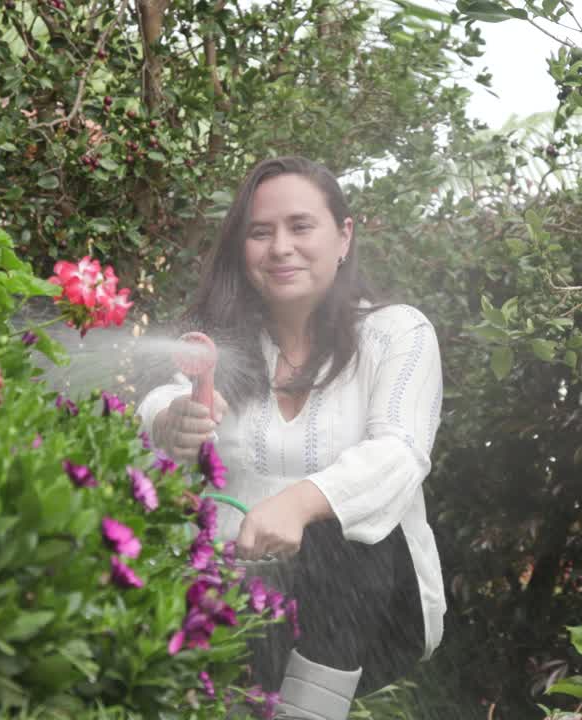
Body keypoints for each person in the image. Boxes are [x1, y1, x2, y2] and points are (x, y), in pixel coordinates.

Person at [136, 156, 445, 720]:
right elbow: (162, 400)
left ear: (343, 236)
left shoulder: (396, 333)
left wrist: (301, 503)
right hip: (241, 596)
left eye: (301, 226)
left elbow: (400, 451)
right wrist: (170, 419)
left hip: (373, 612)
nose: (280, 247)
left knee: (343, 526)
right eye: (260, 232)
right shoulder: (228, 347)